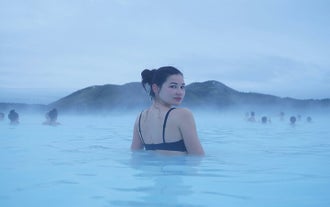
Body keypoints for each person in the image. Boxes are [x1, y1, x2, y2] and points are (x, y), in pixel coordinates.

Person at [131, 66, 205, 156]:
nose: (180, 92)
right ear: (155, 88)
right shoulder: (183, 115)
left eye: (182, 87)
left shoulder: (140, 118)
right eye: (173, 86)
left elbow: (135, 154)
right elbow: (198, 157)